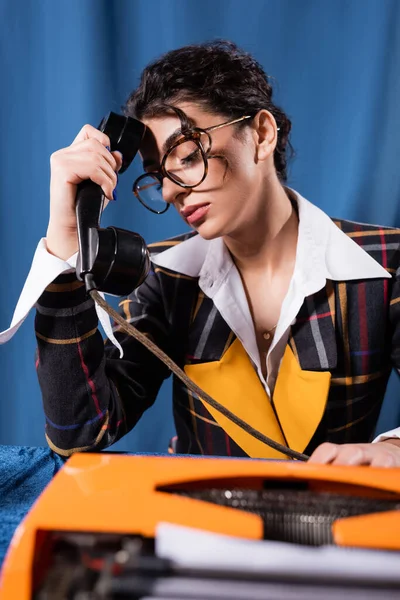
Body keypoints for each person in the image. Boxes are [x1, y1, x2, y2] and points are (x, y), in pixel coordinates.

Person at [26, 41, 400, 465]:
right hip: (203, 523)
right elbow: (79, 431)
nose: (170, 191)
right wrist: (64, 241)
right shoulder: (163, 276)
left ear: (261, 134)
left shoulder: (387, 263)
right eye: (157, 176)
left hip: (339, 520)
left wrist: (393, 450)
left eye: (186, 156)